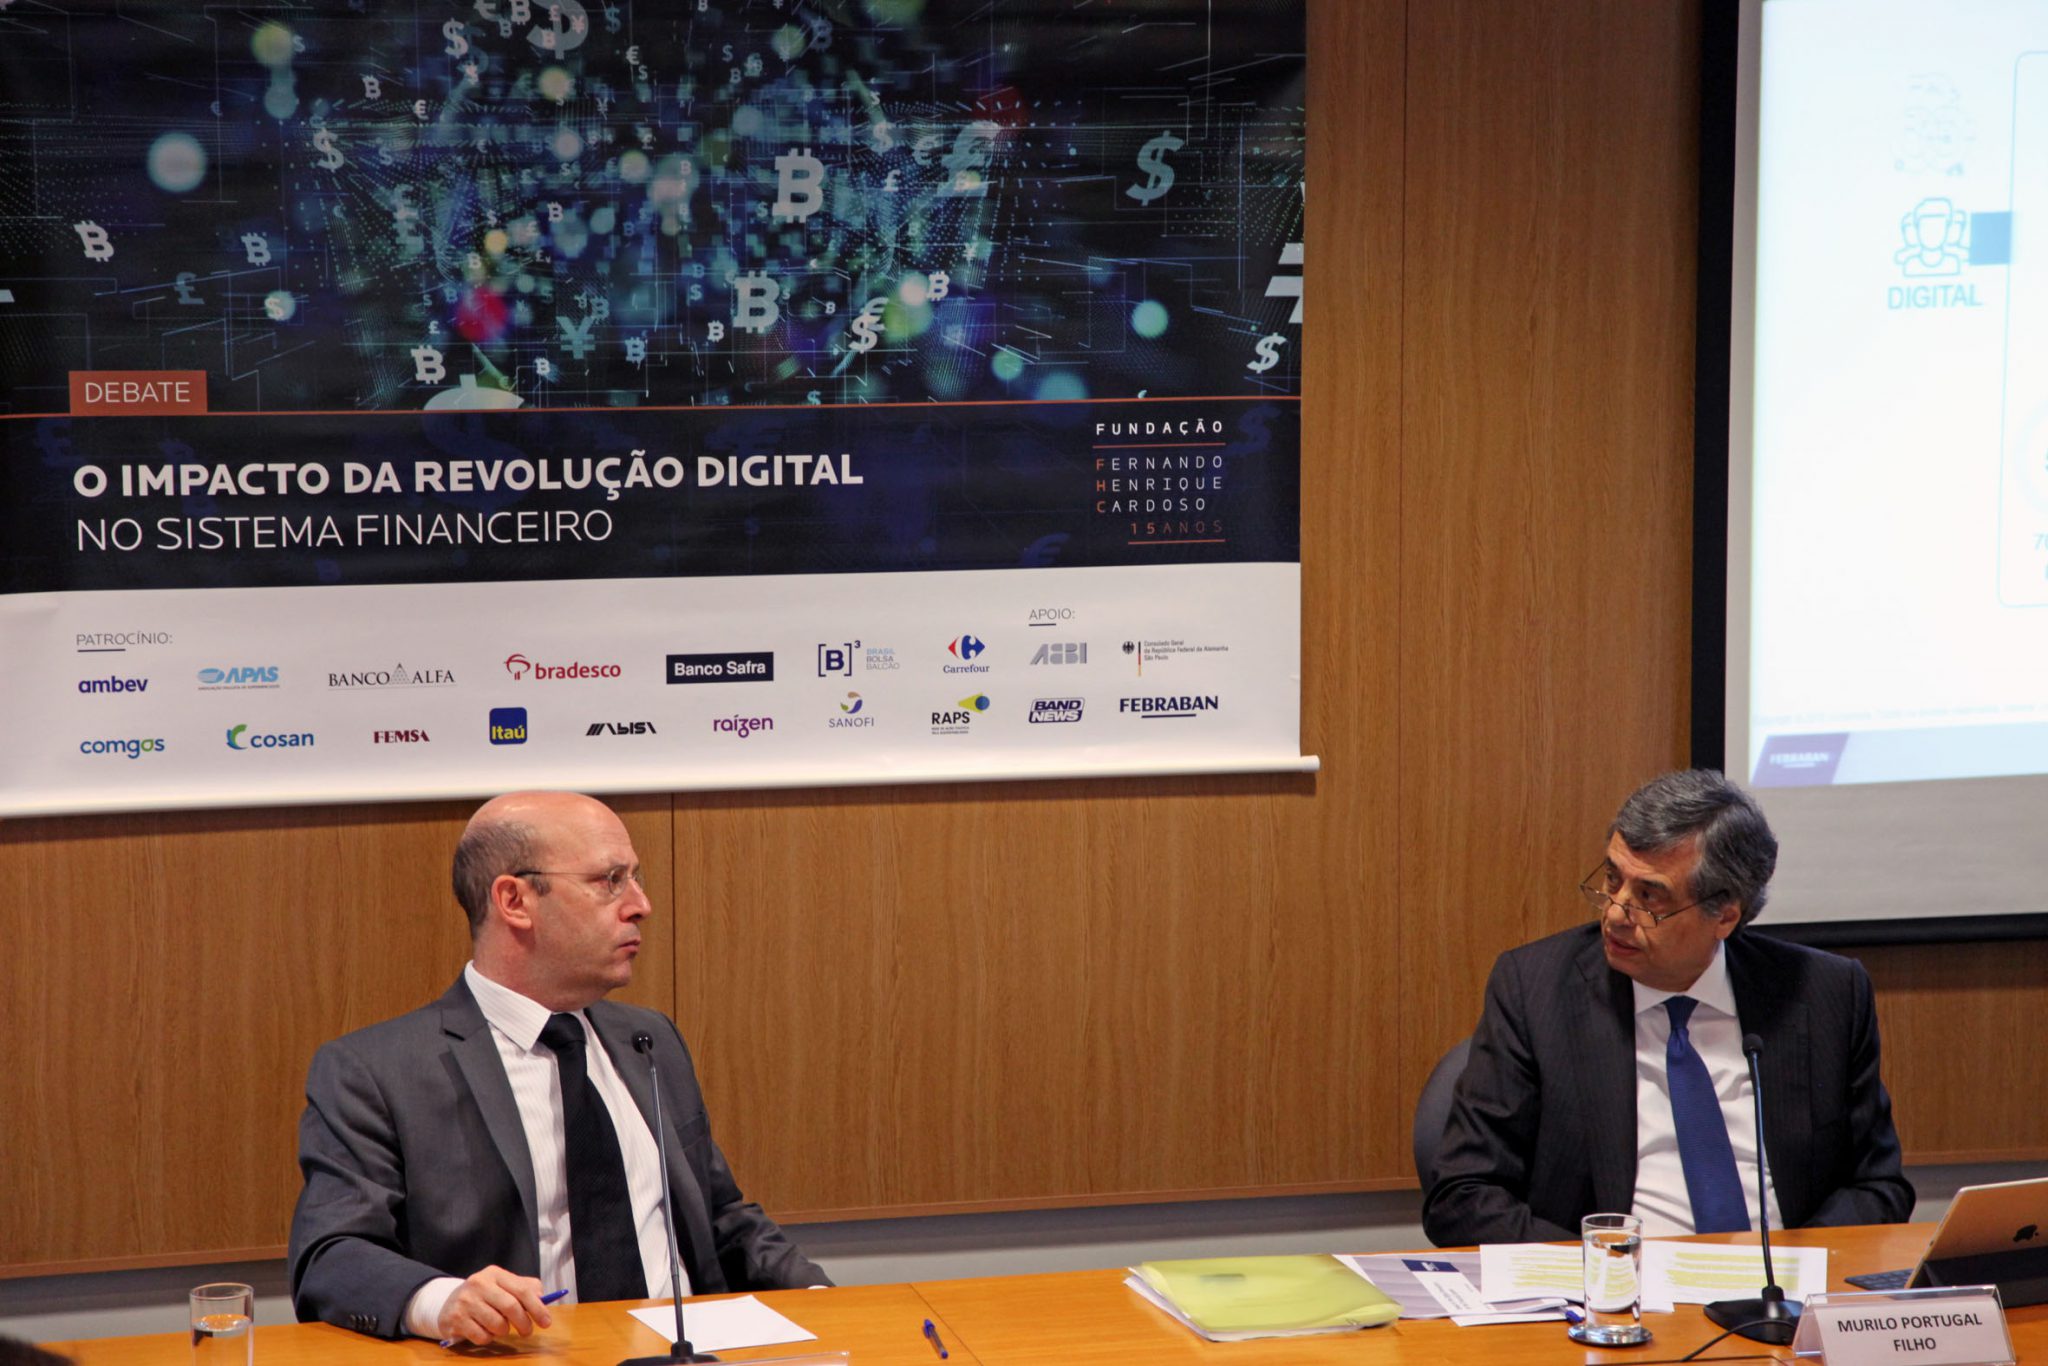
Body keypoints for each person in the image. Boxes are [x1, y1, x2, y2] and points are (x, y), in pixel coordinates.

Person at [288, 791, 828, 1343]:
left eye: (635, 878)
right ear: (515, 901)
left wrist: (822, 1300)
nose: (640, 904)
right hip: (522, 1353)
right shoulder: (376, 1072)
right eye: (610, 880)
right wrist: (443, 1300)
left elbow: (720, 1216)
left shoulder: (650, 1040)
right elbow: (332, 1255)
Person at [1422, 769, 1914, 1247]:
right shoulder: (1535, 989)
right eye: (1612, 879)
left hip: (1781, 1283)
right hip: (1616, 1286)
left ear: (1724, 915)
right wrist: (1608, 1272)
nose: (1616, 912)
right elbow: (1463, 1197)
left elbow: (1878, 1187)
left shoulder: (1825, 993)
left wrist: (1797, 1264)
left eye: (1649, 897)